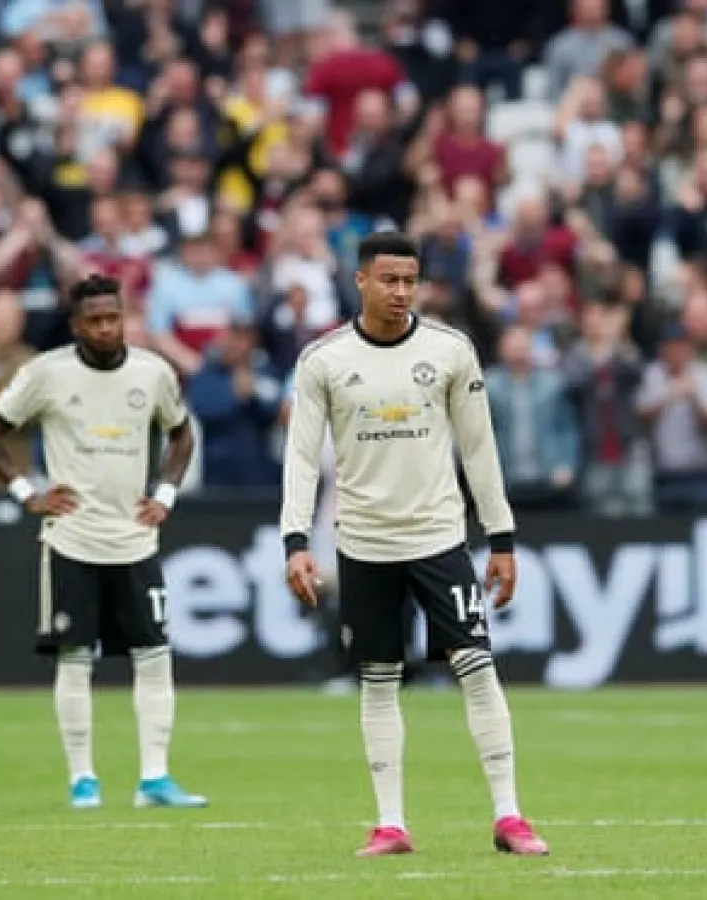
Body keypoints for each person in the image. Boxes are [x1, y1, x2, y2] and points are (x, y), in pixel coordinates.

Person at [278, 231, 548, 857]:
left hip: (438, 537)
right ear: (361, 282)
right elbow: (301, 458)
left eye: (410, 280)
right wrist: (295, 539)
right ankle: (391, 824)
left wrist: (501, 537)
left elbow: (480, 450)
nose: (401, 292)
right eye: (389, 280)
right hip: (364, 542)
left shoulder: (450, 350)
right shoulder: (323, 360)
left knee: (478, 670)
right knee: (379, 680)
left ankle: (509, 817)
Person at [0, 273, 207, 811]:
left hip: (135, 540)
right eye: (94, 320)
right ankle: (83, 779)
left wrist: (165, 494)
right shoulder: (46, 373)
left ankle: (155, 779)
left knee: (154, 656)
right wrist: (26, 491)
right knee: (76, 659)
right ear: (76, 325)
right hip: (72, 539)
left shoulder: (152, 372)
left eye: (113, 317)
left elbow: (181, 431)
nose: (106, 328)